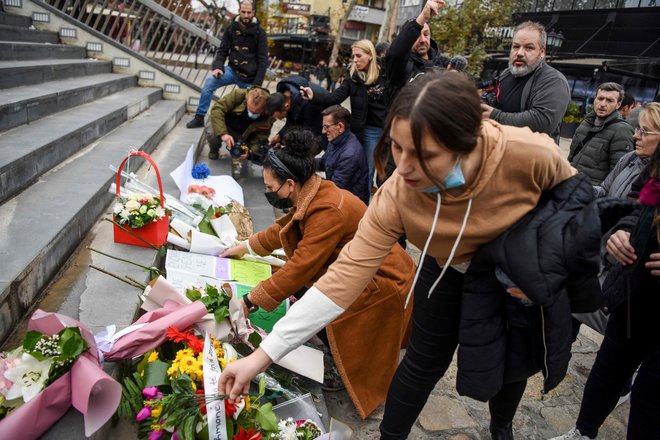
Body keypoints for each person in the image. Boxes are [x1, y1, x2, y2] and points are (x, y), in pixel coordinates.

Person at [219, 72, 582, 439]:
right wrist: (262, 356)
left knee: (510, 364)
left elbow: (578, 208)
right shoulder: (396, 194)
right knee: (422, 363)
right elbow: (343, 279)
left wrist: (549, 268)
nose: (404, 168)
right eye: (397, 147)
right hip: (445, 271)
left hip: (511, 276)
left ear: (465, 141)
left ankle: (501, 424)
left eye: (424, 154)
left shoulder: (526, 151)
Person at [221, 128, 415, 418]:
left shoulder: (328, 210)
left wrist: (250, 302)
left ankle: (340, 365)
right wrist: (245, 245)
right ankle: (331, 348)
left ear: (289, 184)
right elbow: (284, 228)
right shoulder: (311, 192)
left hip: (383, 282)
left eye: (270, 188)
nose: (268, 194)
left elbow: (301, 267)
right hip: (362, 272)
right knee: (306, 293)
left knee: (318, 299)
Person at [551, 115, 660, 439]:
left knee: (649, 397)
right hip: (635, 291)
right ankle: (583, 432)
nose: (637, 134)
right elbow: (638, 205)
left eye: (646, 130)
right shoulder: (653, 165)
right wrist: (623, 233)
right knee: (608, 369)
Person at [301, 40, 389, 190]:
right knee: (367, 172)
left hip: (388, 130)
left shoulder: (386, 72)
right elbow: (335, 97)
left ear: (370, 56)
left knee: (386, 175)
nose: (355, 59)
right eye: (353, 56)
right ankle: (363, 209)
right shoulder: (353, 77)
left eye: (358, 55)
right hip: (367, 131)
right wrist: (313, 95)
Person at [480, 21, 570, 143]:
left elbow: (542, 121)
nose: (520, 53)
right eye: (516, 46)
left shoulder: (554, 80)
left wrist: (495, 116)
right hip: (498, 151)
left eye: (529, 47)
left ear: (542, 52)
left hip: (532, 158)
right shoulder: (507, 73)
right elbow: (490, 97)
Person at [186, 1, 268, 129]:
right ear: (239, 11)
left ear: (253, 13)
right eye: (243, 12)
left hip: (250, 76)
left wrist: (257, 85)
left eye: (249, 12)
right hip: (232, 70)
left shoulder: (260, 33)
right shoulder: (231, 28)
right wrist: (218, 67)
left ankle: (246, 129)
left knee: (254, 104)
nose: (246, 15)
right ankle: (199, 117)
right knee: (209, 82)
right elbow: (222, 50)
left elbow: (263, 60)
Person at [568, 82, 635, 185]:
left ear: (618, 104)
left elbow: (617, 171)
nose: (603, 104)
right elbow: (571, 156)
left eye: (609, 100)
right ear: (595, 99)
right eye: (600, 98)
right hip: (569, 183)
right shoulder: (586, 123)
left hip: (592, 192)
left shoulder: (622, 130)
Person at [385, 0, 448, 96]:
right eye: (417, 36)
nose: (422, 40)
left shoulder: (443, 64)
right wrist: (423, 18)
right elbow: (395, 54)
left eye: (426, 34)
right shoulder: (400, 67)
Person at [208, 86, 273, 177]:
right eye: (250, 110)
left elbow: (260, 138)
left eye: (256, 113)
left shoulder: (268, 114)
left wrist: (250, 152)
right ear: (247, 100)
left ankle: (241, 160)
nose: (252, 114)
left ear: (264, 109)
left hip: (246, 136)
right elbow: (217, 110)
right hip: (227, 126)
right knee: (212, 131)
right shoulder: (238, 95)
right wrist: (223, 134)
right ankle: (214, 150)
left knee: (245, 159)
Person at [317, 105, 370, 204]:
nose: (323, 131)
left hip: (350, 207)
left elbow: (333, 188)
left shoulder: (350, 155)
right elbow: (323, 162)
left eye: (326, 127)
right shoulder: (335, 139)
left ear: (340, 127)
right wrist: (302, 163)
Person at [268, 75, 326, 148]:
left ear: (286, 106)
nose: (280, 119)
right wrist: (279, 136)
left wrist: (288, 148)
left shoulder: (308, 102)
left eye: (281, 117)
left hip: (326, 126)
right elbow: (291, 121)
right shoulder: (286, 99)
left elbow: (308, 133)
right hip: (311, 122)